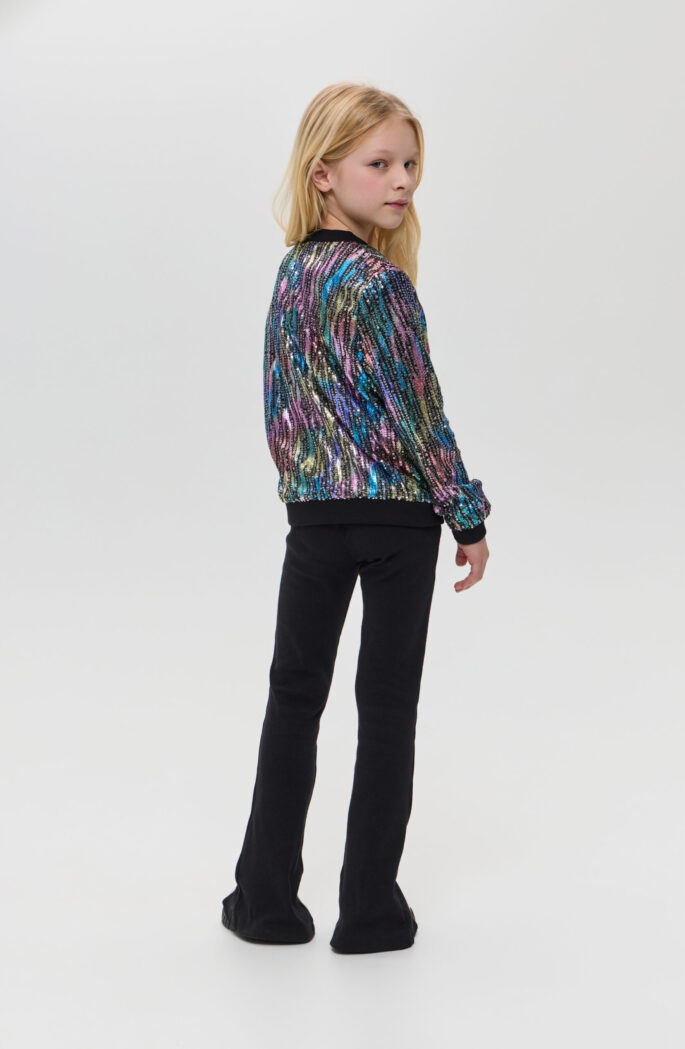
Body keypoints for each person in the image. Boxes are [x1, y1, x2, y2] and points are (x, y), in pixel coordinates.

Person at [221, 81, 492, 955]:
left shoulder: (291, 276)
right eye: (380, 163)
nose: (402, 179)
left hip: (315, 518)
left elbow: (280, 406)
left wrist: (305, 487)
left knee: (292, 699)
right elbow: (420, 413)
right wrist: (466, 514)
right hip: (399, 524)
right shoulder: (382, 283)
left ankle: (264, 900)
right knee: (386, 708)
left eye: (410, 163)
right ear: (324, 173)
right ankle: (369, 911)